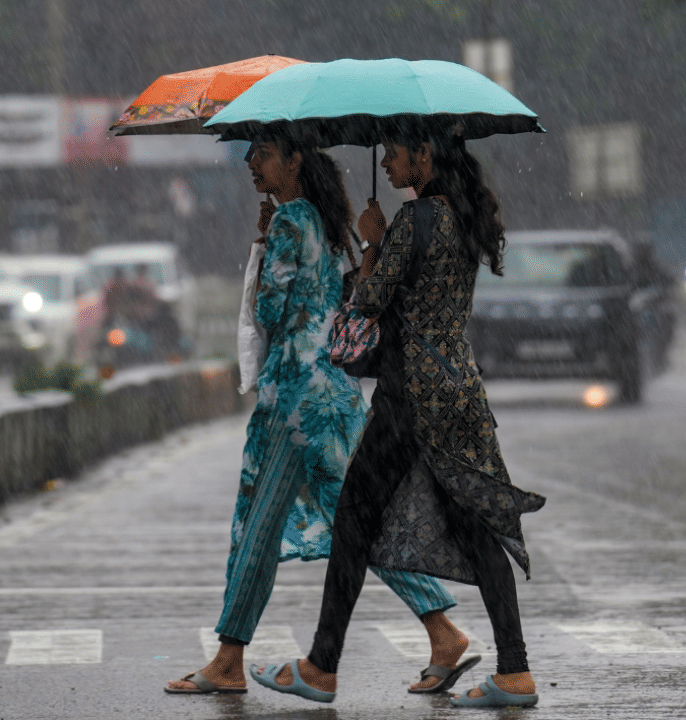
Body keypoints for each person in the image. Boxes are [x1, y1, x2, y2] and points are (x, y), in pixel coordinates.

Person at [248, 128, 546, 708]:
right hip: (459, 390)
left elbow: (365, 302)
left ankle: (322, 666)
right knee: (476, 525)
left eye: (395, 154)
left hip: (407, 398)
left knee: (354, 523)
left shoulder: (415, 221)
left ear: (425, 156)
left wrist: (373, 244)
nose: (386, 163)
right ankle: (514, 671)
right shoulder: (463, 218)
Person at [166, 136, 468, 696]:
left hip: (293, 401)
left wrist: (262, 243)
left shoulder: (288, 222)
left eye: (261, 153)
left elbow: (270, 310)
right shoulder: (331, 222)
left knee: (272, 525)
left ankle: (232, 659)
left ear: (294, 159)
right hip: (330, 390)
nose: (251, 163)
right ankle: (439, 628)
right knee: (339, 525)